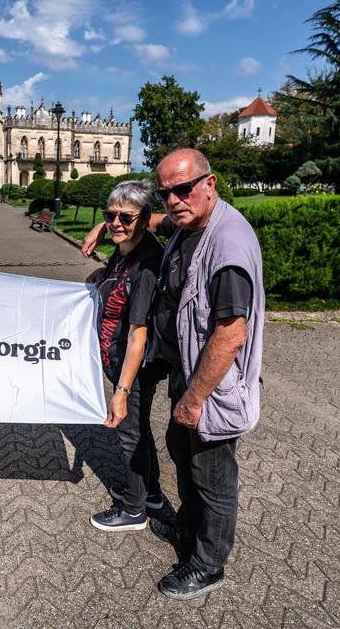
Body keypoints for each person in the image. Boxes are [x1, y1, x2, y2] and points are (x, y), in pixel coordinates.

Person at [82, 148, 264, 601]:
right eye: (165, 193)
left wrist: (194, 398)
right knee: (183, 455)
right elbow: (154, 221)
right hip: (188, 371)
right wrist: (103, 224)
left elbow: (230, 334)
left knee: (212, 475)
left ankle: (207, 564)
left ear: (210, 183)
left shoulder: (228, 246)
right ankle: (188, 527)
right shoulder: (189, 222)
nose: (173, 200)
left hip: (212, 385)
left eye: (183, 189)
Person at [86, 180, 166, 532]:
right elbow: (117, 280)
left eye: (125, 217)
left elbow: (138, 334)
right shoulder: (125, 250)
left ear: (146, 218)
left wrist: (121, 391)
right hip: (118, 360)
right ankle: (150, 492)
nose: (116, 223)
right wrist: (102, 274)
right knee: (138, 428)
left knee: (129, 433)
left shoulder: (146, 266)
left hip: (133, 366)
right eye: (109, 215)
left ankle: (134, 510)